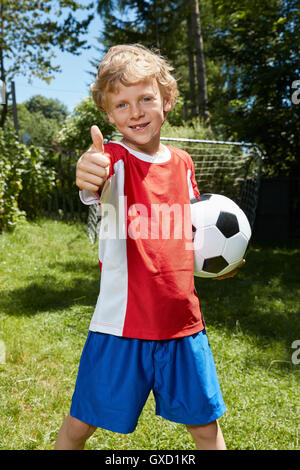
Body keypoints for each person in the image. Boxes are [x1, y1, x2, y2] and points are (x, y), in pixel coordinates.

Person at [55, 44, 240, 451]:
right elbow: (93, 178)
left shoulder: (184, 162)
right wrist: (88, 171)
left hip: (183, 323)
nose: (134, 112)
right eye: (121, 104)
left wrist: (218, 262)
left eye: (145, 99)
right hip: (122, 327)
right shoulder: (114, 159)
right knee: (80, 423)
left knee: (206, 429)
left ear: (167, 100)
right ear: (108, 114)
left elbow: (195, 231)